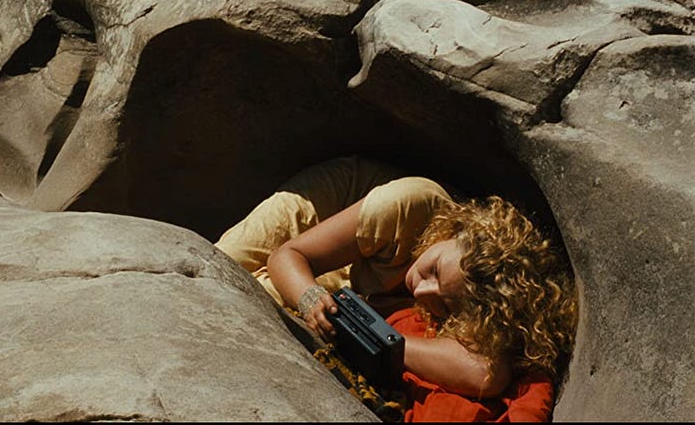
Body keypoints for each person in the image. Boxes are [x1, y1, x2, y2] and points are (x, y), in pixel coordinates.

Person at [215, 155, 577, 418]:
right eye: (434, 270)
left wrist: (385, 347)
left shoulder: (487, 298)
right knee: (216, 270)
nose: (422, 292)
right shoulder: (409, 205)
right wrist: (309, 298)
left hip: (361, 282)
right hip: (326, 219)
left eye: (446, 304)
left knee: (248, 311)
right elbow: (287, 256)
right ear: (454, 232)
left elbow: (486, 375)